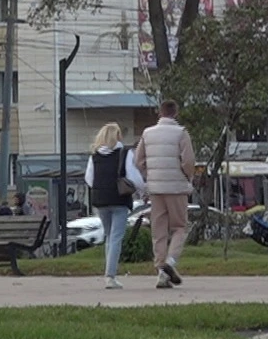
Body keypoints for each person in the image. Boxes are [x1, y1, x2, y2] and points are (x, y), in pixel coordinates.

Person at [134, 98, 198, 288]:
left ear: (159, 113)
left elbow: (138, 160)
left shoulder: (147, 133)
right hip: (177, 187)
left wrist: (149, 174)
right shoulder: (181, 133)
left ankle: (161, 271)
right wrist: (188, 178)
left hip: (155, 189)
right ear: (175, 113)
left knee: (158, 230)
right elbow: (188, 161)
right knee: (179, 227)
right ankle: (171, 262)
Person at [84, 122, 145, 289]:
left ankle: (108, 274)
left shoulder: (94, 156)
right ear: (118, 137)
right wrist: (144, 190)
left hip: (100, 200)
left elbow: (89, 179)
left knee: (109, 236)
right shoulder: (125, 154)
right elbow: (134, 177)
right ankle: (110, 276)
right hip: (119, 199)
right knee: (116, 237)